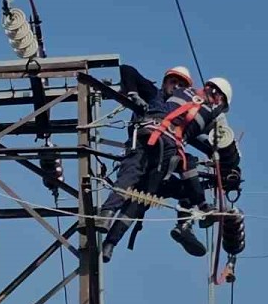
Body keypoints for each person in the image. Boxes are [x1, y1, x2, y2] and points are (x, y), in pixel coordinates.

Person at [99, 76, 238, 263]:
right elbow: (216, 141)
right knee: (139, 182)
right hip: (160, 142)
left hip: (159, 142)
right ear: (216, 93)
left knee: (138, 191)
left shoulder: (190, 103)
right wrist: (133, 94)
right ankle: (201, 207)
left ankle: (109, 235)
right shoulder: (197, 109)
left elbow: (215, 140)